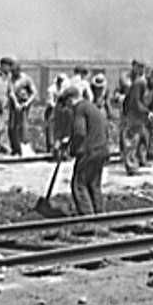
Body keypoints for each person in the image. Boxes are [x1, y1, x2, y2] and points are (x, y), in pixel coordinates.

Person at [62, 86, 110, 215]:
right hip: (101, 149)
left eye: (66, 104)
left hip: (90, 151)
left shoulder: (80, 109)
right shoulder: (92, 107)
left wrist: (72, 150)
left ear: (70, 100)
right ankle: (99, 214)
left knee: (79, 184)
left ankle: (87, 217)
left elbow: (80, 132)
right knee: (94, 184)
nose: (68, 108)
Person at [122, 61, 153, 175]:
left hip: (143, 116)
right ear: (151, 76)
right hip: (133, 115)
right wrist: (147, 112)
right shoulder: (139, 83)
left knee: (144, 138)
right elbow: (135, 102)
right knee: (132, 140)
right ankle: (131, 166)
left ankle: (142, 159)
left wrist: (152, 113)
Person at [7, 63, 37, 156]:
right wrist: (15, 103)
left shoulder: (26, 79)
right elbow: (11, 92)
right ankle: (15, 148)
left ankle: (24, 145)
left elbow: (34, 92)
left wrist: (27, 103)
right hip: (14, 104)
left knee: (23, 125)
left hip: (24, 103)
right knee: (12, 126)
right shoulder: (11, 79)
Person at [44, 73, 69, 152]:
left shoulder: (63, 89)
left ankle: (60, 148)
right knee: (51, 129)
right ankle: (50, 147)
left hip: (61, 111)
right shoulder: (51, 89)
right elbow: (50, 102)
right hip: (51, 111)